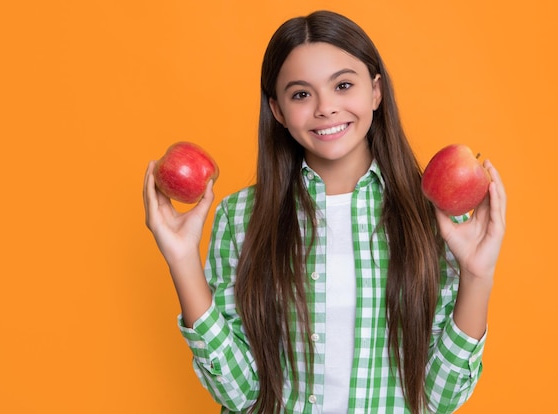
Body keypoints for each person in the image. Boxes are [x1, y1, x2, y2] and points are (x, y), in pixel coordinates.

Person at [143, 10, 506, 414]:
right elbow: (241, 394)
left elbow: (441, 399)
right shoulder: (239, 217)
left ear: (375, 91)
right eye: (301, 94)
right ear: (277, 110)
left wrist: (477, 275)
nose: (326, 108)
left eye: (343, 85)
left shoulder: (436, 219)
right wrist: (181, 260)